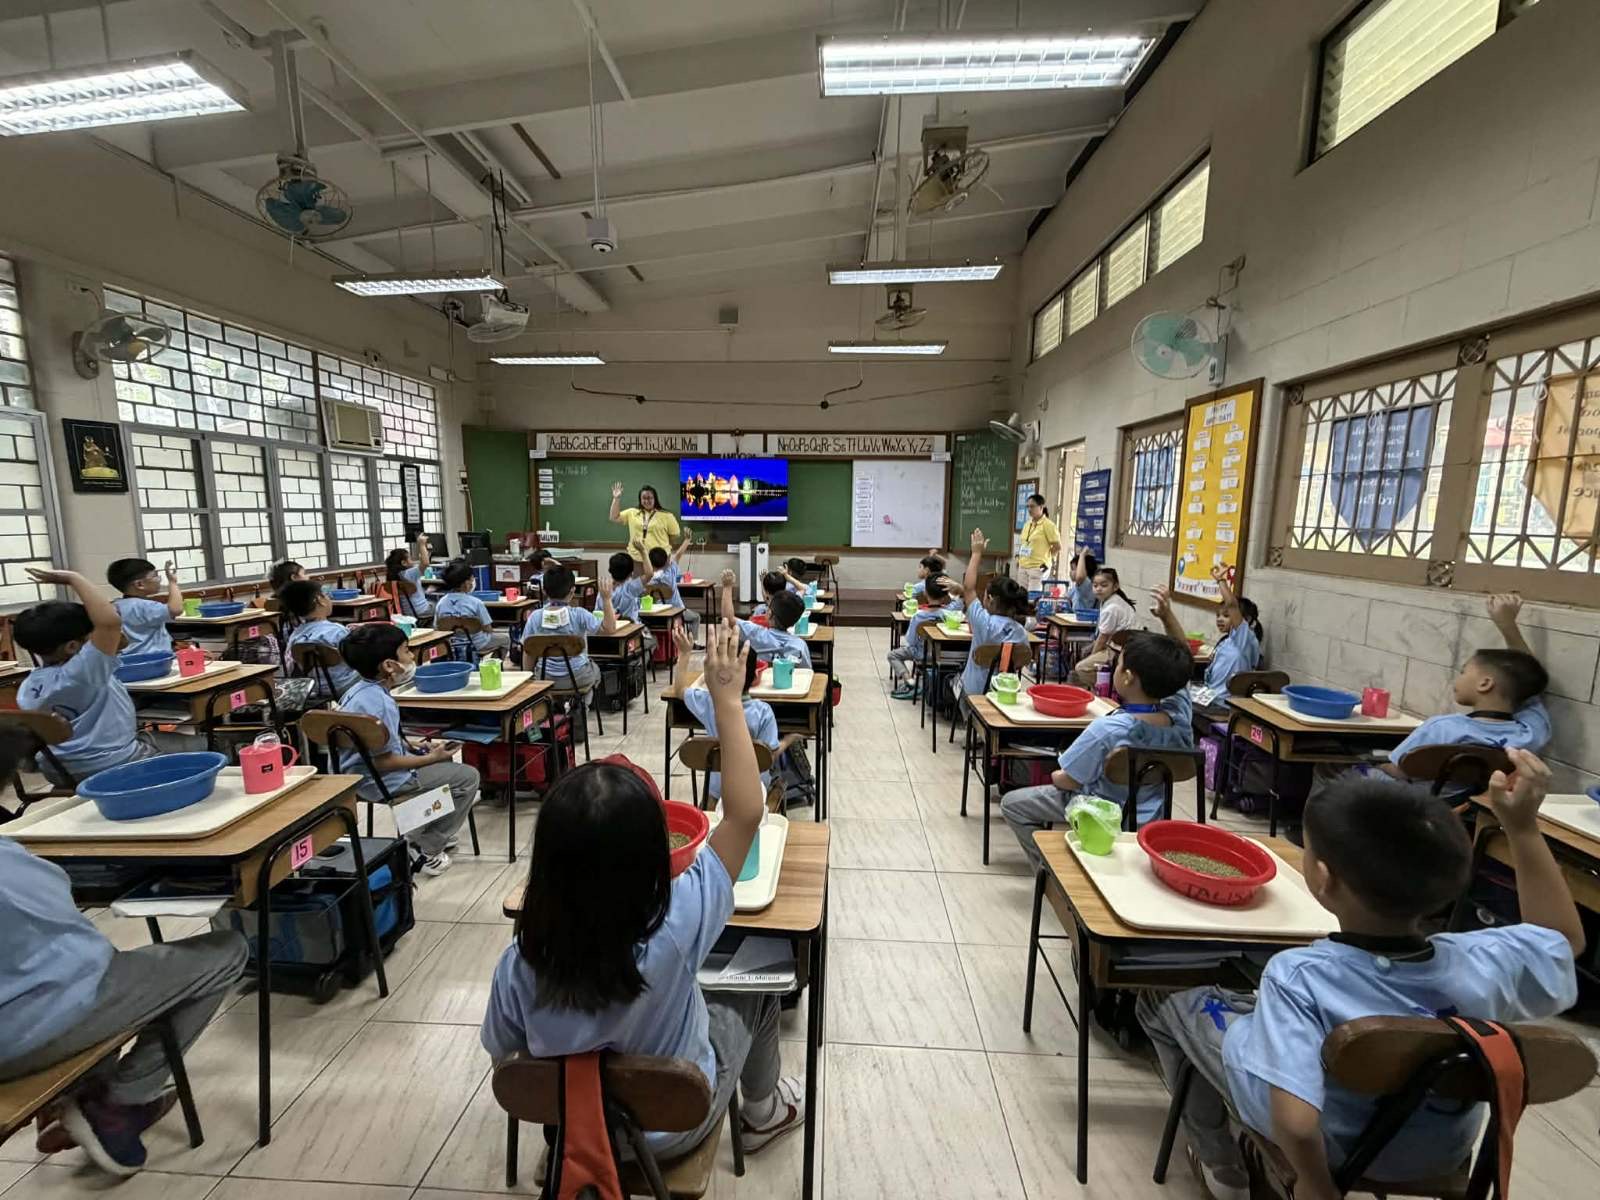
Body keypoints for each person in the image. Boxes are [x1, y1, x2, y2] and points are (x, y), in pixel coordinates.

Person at [1137, 752, 1581, 1200]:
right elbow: (1562, 939)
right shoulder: (1484, 960)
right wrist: (1523, 828)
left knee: (1163, 1000)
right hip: (1437, 1151)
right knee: (1257, 1011)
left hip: (1336, 1149)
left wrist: (1317, 1185)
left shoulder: (1299, 977)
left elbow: (1296, 1120)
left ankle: (1220, 1167)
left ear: (1323, 879)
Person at [481, 622, 805, 1162]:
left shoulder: (520, 959)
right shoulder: (679, 919)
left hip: (570, 1130)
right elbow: (747, 812)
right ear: (654, 858)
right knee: (759, 986)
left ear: (549, 863)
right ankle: (763, 1111)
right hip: (673, 1126)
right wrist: (728, 699)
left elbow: (506, 1058)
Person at [0, 721, 248, 1178]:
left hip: (25, 1016)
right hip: (24, 1033)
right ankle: (122, 1100)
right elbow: (66, 933)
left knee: (111, 965)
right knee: (224, 952)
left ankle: (78, 1089)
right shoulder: (13, 867)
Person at [1001, 631, 1196, 867]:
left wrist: (1055, 774)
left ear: (1127, 677)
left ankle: (1048, 870)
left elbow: (1068, 781)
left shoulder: (1108, 729)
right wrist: (1166, 616)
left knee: (1012, 803)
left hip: (1100, 814)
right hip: (1153, 817)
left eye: (1118, 663)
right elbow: (1182, 679)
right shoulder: (1182, 721)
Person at [14, 568, 185, 783]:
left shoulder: (27, 686)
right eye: (90, 635)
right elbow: (109, 623)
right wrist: (73, 578)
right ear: (72, 646)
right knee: (207, 744)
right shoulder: (84, 670)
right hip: (114, 764)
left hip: (58, 770)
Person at [337, 622, 479, 875]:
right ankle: (427, 847)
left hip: (354, 775)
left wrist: (410, 745)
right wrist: (430, 757)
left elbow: (375, 741)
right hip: (380, 781)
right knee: (467, 778)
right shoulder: (380, 703)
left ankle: (424, 828)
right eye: (406, 651)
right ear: (389, 665)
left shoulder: (357, 692)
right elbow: (384, 761)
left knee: (444, 767)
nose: (412, 656)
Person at [1381, 593, 1550, 781]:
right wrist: (1507, 625)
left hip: (1413, 802)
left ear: (1485, 684)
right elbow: (1529, 681)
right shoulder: (1531, 734)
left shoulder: (1442, 727)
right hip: (1466, 805)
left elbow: (1398, 770)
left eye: (1463, 672)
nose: (1458, 678)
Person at [676, 624, 779, 801]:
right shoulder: (764, 711)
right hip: (755, 791)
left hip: (717, 789)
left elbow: (679, 690)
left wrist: (685, 654)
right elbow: (770, 756)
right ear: (755, 678)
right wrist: (789, 740)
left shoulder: (708, 703)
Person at [1150, 565, 1263, 714]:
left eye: (1226, 616)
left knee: (1167, 700)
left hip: (1223, 704)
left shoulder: (1245, 640)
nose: (1220, 620)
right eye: (1218, 616)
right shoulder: (1227, 641)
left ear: (1247, 620)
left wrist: (1221, 580)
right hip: (1210, 696)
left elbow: (1232, 605)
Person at [953, 528, 1030, 703]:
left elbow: (968, 588)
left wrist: (976, 553)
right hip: (1005, 698)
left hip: (974, 696)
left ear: (990, 599)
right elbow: (1021, 660)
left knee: (948, 679)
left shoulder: (983, 621)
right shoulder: (1020, 631)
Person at [519, 563, 617, 699]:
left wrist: (529, 680)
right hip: (578, 678)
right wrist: (606, 599)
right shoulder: (580, 614)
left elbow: (528, 651)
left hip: (545, 678)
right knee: (596, 671)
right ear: (572, 591)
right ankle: (582, 705)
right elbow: (610, 629)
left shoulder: (535, 617)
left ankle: (555, 705)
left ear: (544, 591)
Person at [280, 581, 358, 698]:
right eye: (326, 595)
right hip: (344, 686)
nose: (329, 599)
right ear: (319, 600)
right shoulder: (337, 630)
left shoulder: (295, 635)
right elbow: (355, 659)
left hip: (312, 687)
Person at [720, 572, 811, 669]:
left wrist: (727, 587)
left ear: (769, 614)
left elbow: (728, 618)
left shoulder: (756, 634)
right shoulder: (800, 646)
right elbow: (808, 673)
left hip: (758, 682)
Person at [886, 575, 955, 701]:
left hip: (920, 653)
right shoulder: (950, 613)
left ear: (925, 593)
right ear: (946, 595)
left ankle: (910, 682)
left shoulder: (918, 616)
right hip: (942, 655)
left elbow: (911, 640)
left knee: (893, 655)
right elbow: (959, 601)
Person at [1072, 567, 1138, 688]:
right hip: (1115, 646)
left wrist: (1092, 656)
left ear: (1115, 586)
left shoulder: (1112, 607)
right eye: (1095, 585)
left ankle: (1110, 689)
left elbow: (1102, 639)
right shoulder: (1108, 601)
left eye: (1104, 585)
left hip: (1120, 651)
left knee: (1081, 668)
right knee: (1086, 651)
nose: (1098, 589)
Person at [107, 558, 182, 657]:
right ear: (139, 584)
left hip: (128, 659)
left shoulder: (115, 605)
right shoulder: (146, 606)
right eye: (155, 576)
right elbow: (175, 609)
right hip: (155, 659)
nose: (159, 579)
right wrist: (172, 582)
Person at [433, 562, 511, 659]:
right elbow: (488, 629)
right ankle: (492, 664)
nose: (473, 581)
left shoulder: (441, 603)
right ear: (466, 583)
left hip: (450, 645)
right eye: (472, 578)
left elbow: (437, 627)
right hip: (477, 643)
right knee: (506, 639)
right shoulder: (476, 602)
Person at [609, 481, 683, 574]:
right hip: (637, 558)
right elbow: (614, 517)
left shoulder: (667, 515)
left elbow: (674, 536)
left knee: (660, 586)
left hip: (659, 560)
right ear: (640, 499)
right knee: (640, 587)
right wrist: (616, 498)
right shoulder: (632, 512)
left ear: (655, 499)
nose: (647, 501)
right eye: (644, 498)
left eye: (650, 498)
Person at [647, 534, 700, 642]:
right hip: (677, 612)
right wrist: (687, 539)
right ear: (666, 561)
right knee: (696, 617)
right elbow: (678, 555)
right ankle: (692, 642)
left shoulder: (648, 579)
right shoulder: (670, 572)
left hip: (657, 615)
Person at [599, 550, 654, 653]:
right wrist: (643, 552)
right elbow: (649, 574)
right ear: (631, 573)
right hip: (630, 634)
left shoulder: (603, 590)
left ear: (610, 570)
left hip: (606, 637)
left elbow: (596, 614)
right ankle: (637, 665)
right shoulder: (631, 588)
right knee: (652, 641)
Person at [1015, 494, 1062, 594]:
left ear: (1041, 507)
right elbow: (1024, 543)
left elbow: (1057, 546)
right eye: (1027, 506)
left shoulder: (1048, 525)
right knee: (1021, 597)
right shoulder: (1027, 524)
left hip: (1038, 567)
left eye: (1032, 506)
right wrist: (1018, 559)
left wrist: (1047, 560)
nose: (1029, 509)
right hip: (1023, 566)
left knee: (1033, 598)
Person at [385, 535, 432, 620]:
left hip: (405, 612)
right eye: (410, 558)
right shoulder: (408, 574)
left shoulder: (391, 576)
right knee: (443, 605)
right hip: (420, 611)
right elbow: (425, 563)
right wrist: (421, 544)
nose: (412, 561)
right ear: (404, 563)